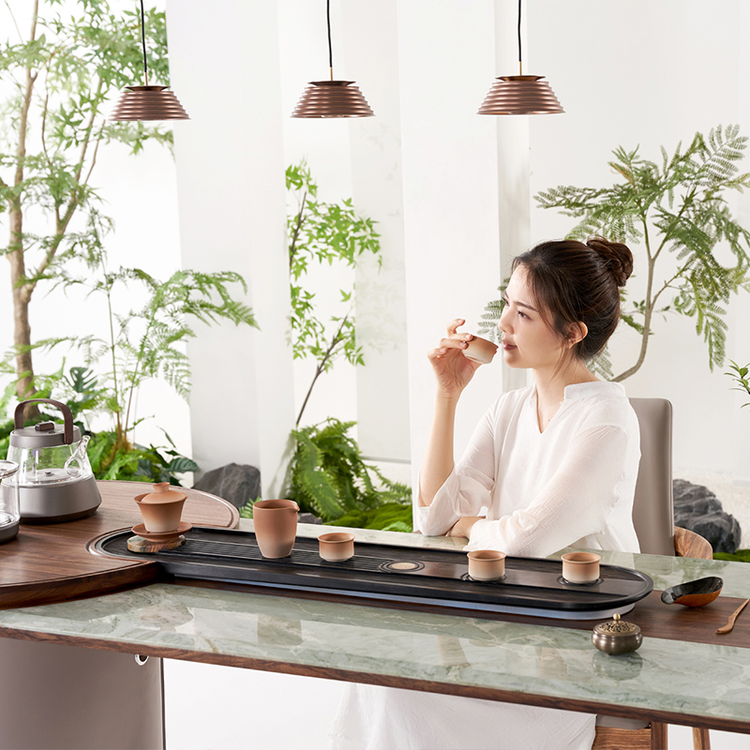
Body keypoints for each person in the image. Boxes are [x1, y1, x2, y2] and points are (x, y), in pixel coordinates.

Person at [330, 237, 641, 750]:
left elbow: (526, 540)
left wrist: (473, 526)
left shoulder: (606, 420)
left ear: (572, 333)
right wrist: (447, 394)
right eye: (506, 305)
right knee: (375, 676)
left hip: (573, 645)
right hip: (503, 622)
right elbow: (433, 520)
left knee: (399, 698)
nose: (502, 324)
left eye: (524, 314)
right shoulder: (509, 409)